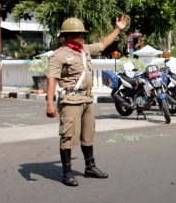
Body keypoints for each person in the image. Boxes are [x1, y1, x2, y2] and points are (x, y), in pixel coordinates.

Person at [46, 15, 130, 186]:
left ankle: (90, 167)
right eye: (78, 34)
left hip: (87, 99)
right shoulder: (59, 55)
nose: (82, 36)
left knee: (88, 135)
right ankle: (67, 172)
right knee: (68, 137)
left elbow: (103, 44)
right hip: (70, 100)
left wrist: (118, 29)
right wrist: (49, 104)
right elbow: (52, 79)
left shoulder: (84, 50)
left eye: (82, 33)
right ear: (68, 36)